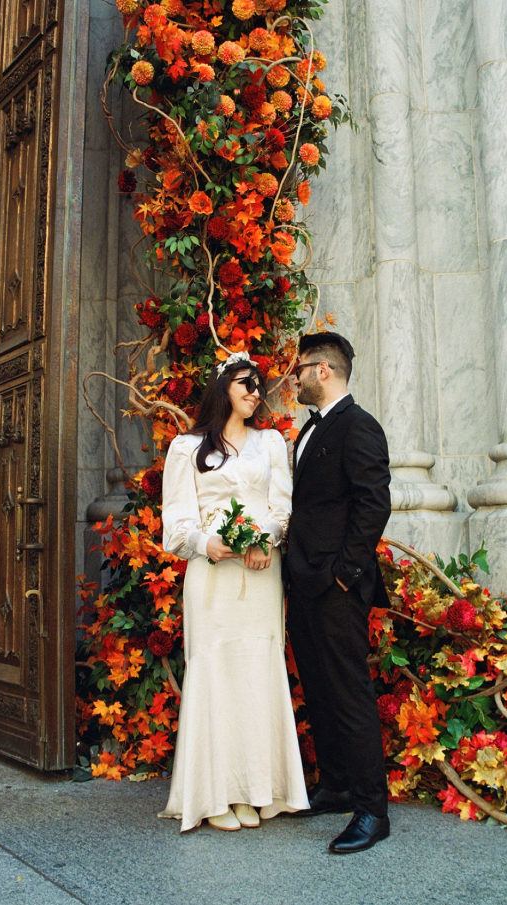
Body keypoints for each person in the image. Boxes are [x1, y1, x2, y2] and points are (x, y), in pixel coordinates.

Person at [158, 351, 309, 832]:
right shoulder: (187, 448)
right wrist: (208, 543)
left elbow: (283, 506)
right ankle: (217, 794)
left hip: (261, 573)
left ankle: (259, 791)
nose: (254, 392)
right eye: (245, 383)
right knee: (215, 672)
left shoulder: (270, 443)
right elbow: (175, 524)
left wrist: (264, 540)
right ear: (222, 388)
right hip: (213, 578)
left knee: (257, 674)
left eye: (258, 385)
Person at [286, 332, 392, 854]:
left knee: (348, 693)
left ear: (322, 370)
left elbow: (373, 505)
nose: (294, 378)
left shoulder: (359, 426)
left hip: (335, 586)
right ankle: (336, 785)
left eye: (298, 369)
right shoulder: (309, 432)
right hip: (303, 583)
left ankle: (372, 809)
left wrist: (345, 575)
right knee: (320, 688)